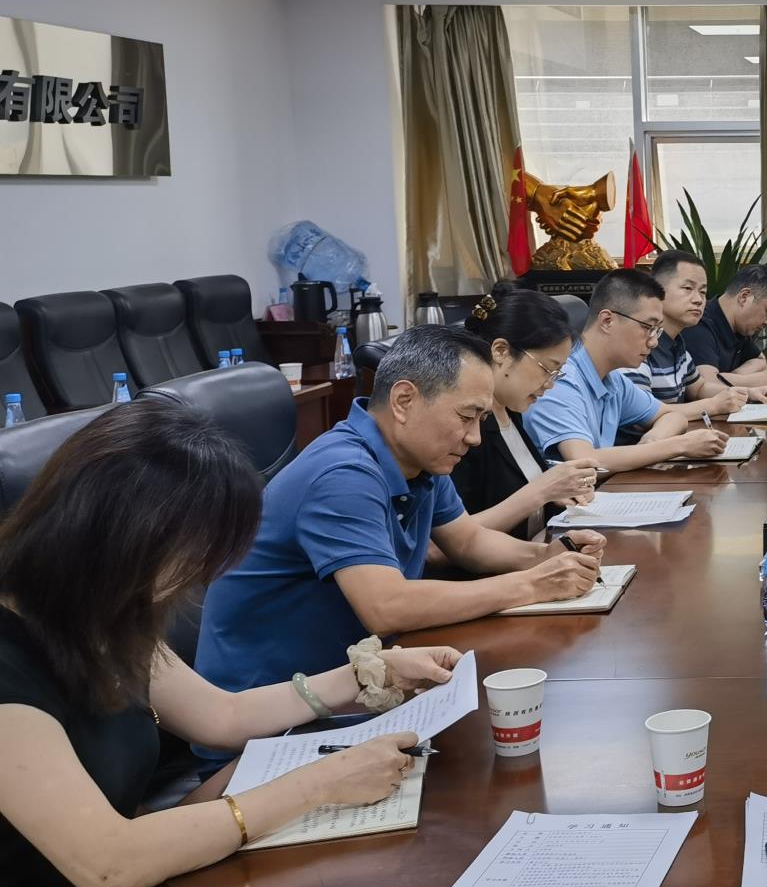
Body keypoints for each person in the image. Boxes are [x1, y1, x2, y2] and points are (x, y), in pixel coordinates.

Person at [0, 400, 461, 887]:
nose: (195, 578)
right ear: (125, 537)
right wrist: (320, 783)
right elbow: (109, 863)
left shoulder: (96, 613)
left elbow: (221, 716)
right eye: (193, 556)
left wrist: (364, 676)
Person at [196, 326, 603, 709]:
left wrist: (548, 556)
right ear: (404, 401)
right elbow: (387, 606)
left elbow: (468, 542)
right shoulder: (343, 474)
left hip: (360, 681)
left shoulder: (419, 459)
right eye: (466, 416)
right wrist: (532, 585)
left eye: (480, 419)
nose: (475, 437)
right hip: (274, 710)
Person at [522, 268, 732, 473]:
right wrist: (679, 445)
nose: (653, 342)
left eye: (657, 330)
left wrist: (651, 444)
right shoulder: (560, 379)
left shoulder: (613, 380)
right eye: (647, 327)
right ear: (607, 321)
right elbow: (584, 460)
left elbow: (672, 416)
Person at [451, 288, 599, 538]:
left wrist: (560, 492)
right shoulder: (465, 429)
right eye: (547, 369)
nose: (550, 384)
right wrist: (541, 491)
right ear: (501, 351)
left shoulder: (511, 411)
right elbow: (446, 541)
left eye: (557, 373)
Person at [641, 250, 767, 413]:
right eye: (688, 288)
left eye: (703, 292)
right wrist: (713, 406)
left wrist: (747, 393)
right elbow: (643, 413)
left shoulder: (678, 344)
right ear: (656, 290)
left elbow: (700, 388)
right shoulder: (640, 344)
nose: (698, 300)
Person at [683, 264, 767, 391]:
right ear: (744, 297)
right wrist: (765, 378)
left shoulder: (738, 326)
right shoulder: (698, 323)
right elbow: (707, 385)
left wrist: (732, 377)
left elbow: (759, 361)